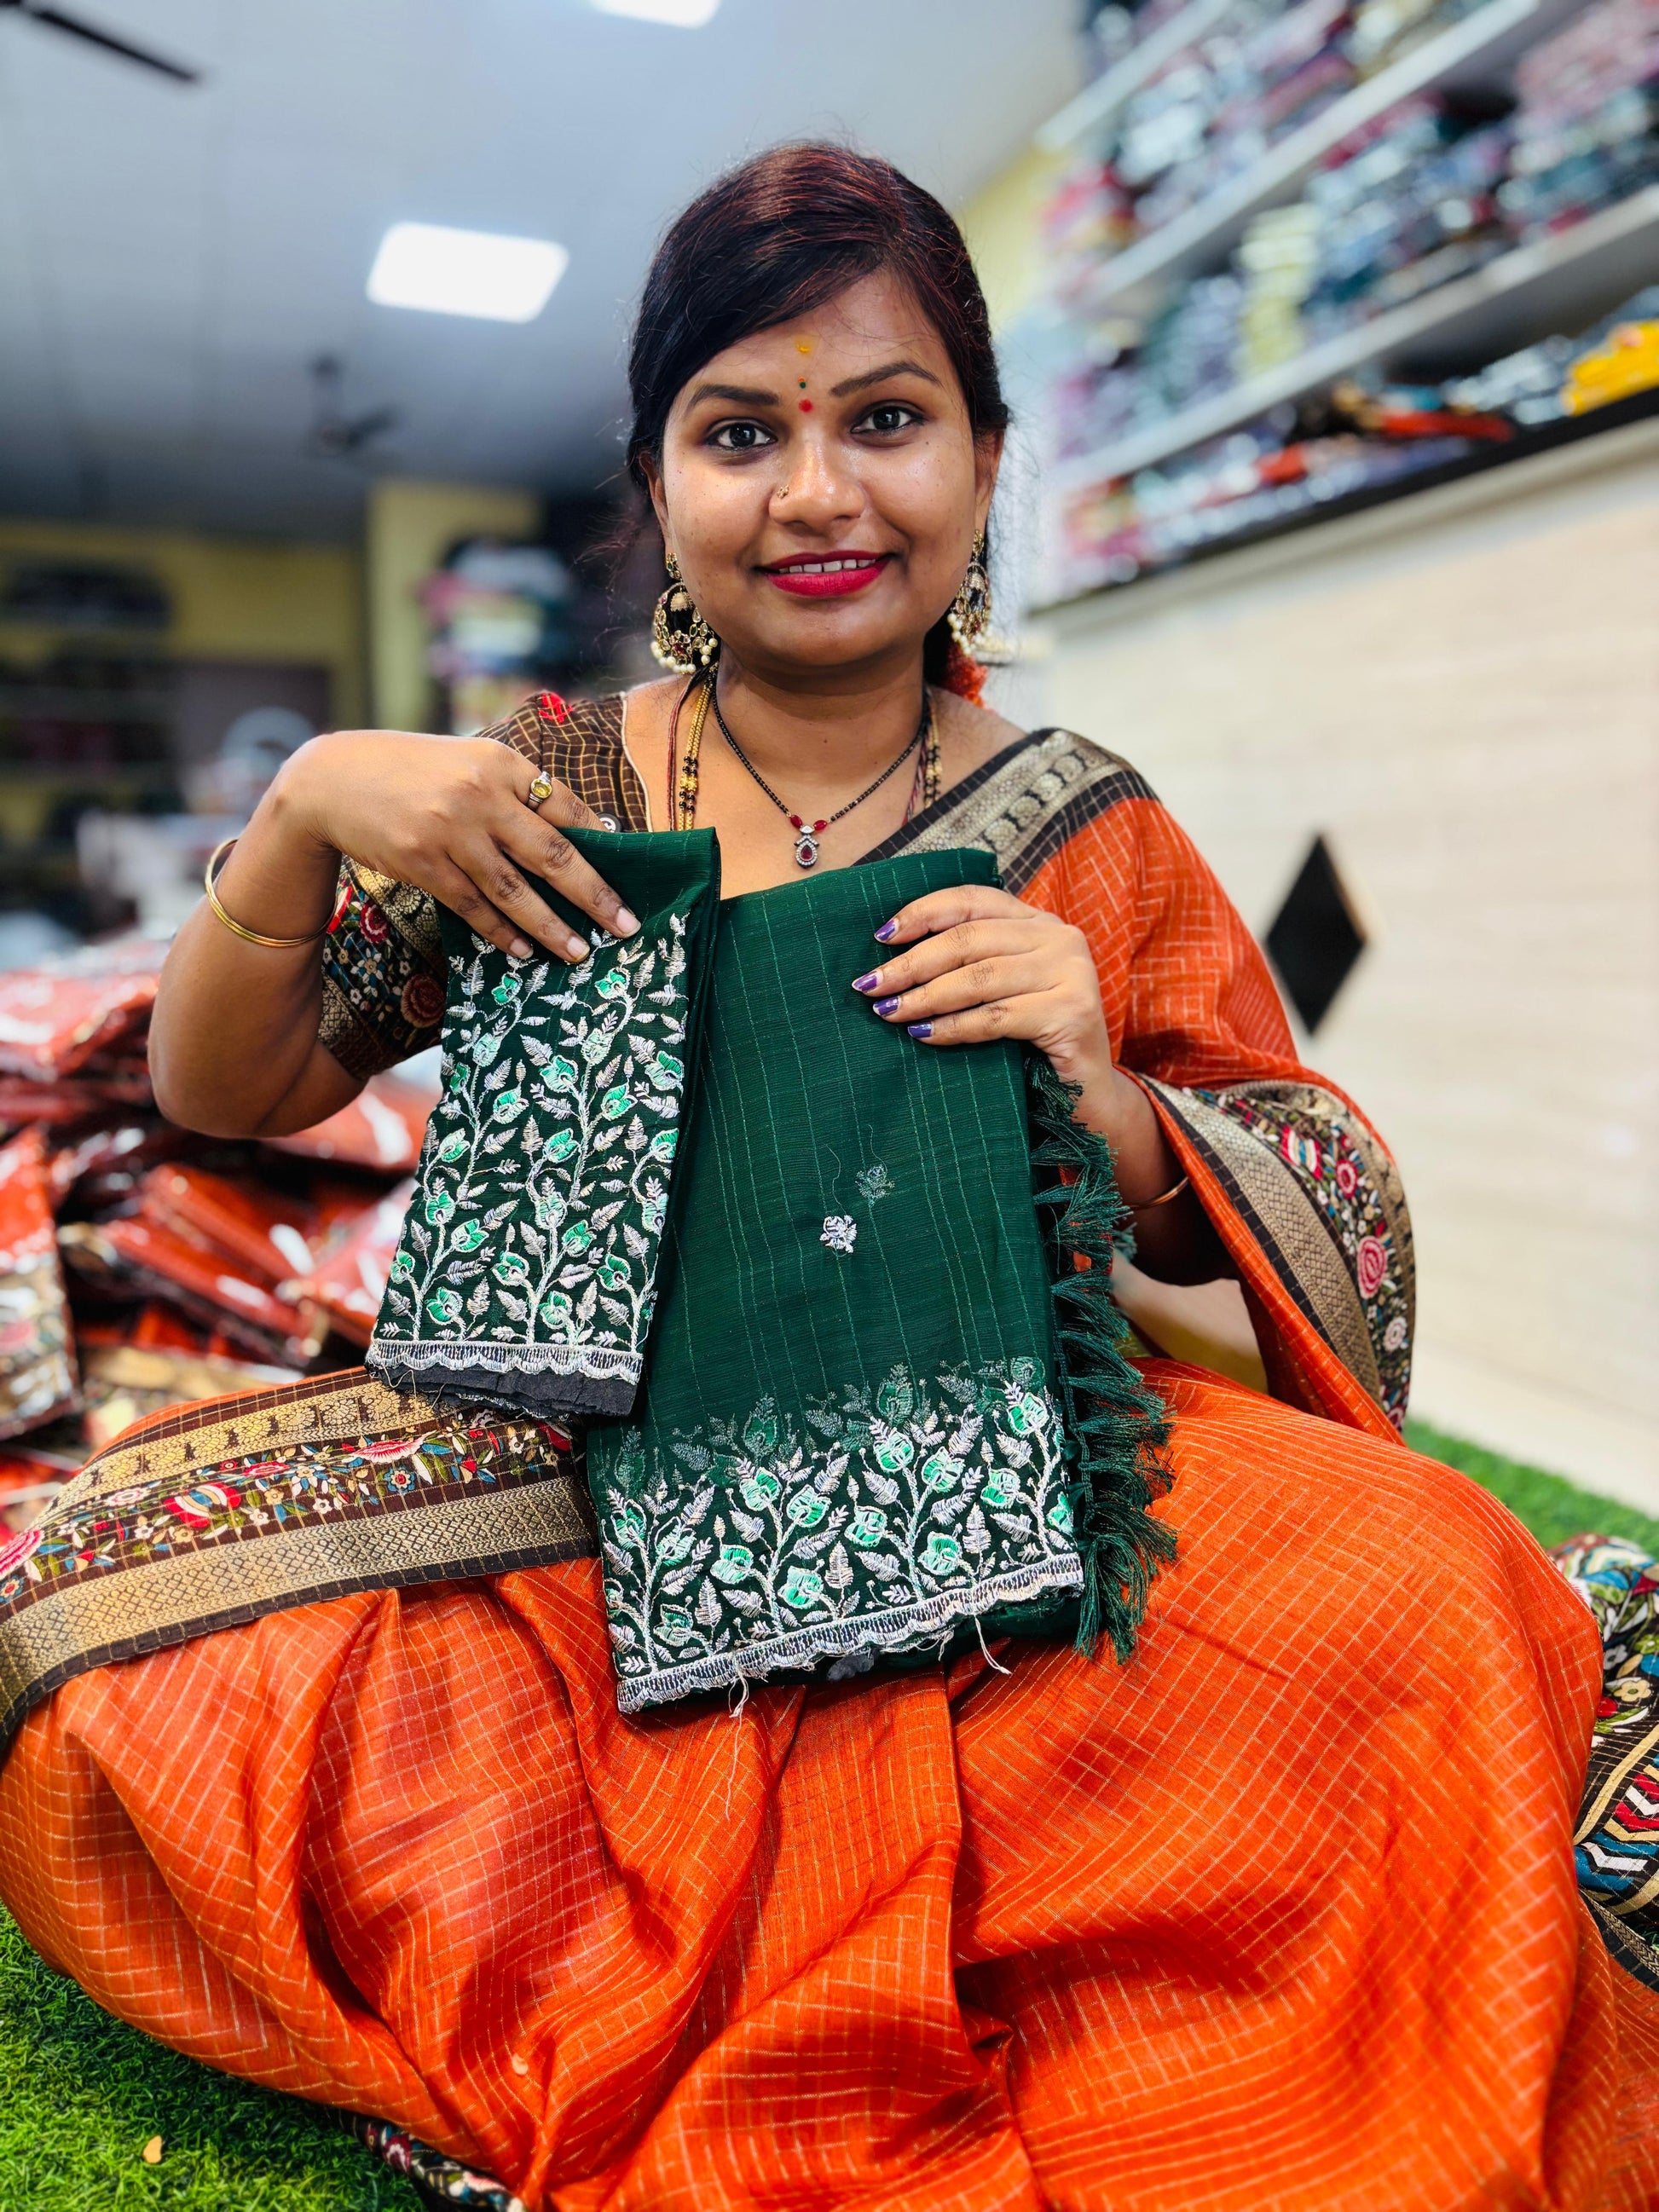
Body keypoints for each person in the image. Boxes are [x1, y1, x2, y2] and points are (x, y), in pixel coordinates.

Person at [1, 144, 1654, 2212]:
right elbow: (225, 1085)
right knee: (89, 1615)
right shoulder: (541, 792)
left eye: (884, 418)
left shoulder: (1075, 817)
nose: (814, 493)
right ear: (656, 481)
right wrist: (307, 804)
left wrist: (1103, 1089)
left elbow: (1317, 1174)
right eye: (738, 434)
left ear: (983, 462)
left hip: (1004, 1471)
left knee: (1439, 1585)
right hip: (580, 1493)